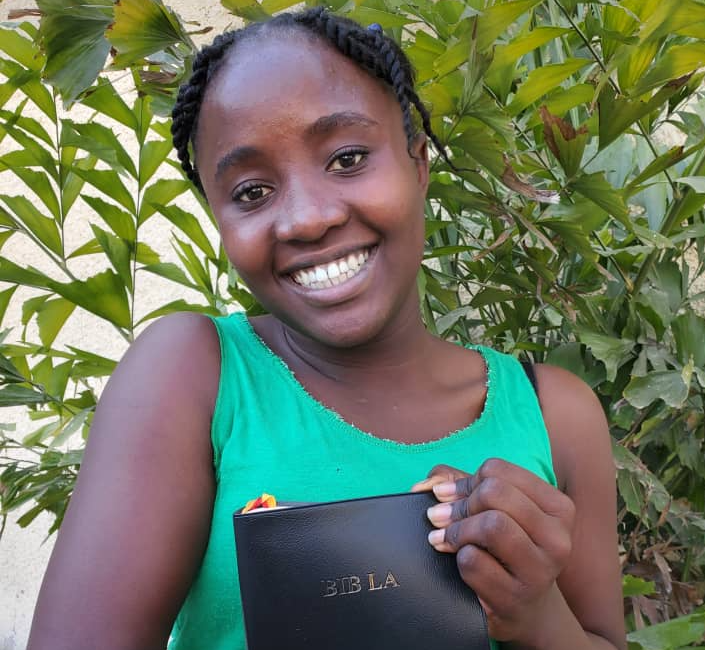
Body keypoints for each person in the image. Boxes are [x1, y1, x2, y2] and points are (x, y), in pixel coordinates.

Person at [27, 7, 625, 650]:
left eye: (346, 158)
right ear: (219, 220)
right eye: (252, 192)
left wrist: (537, 617)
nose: (307, 219)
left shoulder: (555, 413)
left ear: (418, 163)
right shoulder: (194, 377)